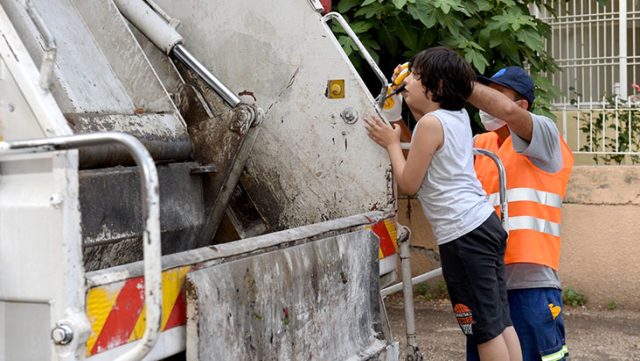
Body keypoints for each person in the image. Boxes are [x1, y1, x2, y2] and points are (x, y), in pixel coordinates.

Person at [364, 47, 522, 361]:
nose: (408, 80)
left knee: (482, 329)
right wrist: (405, 93)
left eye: (416, 76)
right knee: (499, 319)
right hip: (484, 226)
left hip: (463, 236)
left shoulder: (430, 125)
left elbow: (409, 183)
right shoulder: (456, 116)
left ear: (436, 88)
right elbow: (426, 119)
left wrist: (392, 144)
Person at [467, 66, 574, 361]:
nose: (483, 101)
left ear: (521, 105)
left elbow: (512, 117)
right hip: (486, 280)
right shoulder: (480, 144)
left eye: (495, 94)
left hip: (530, 284)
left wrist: (459, 82)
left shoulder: (545, 138)